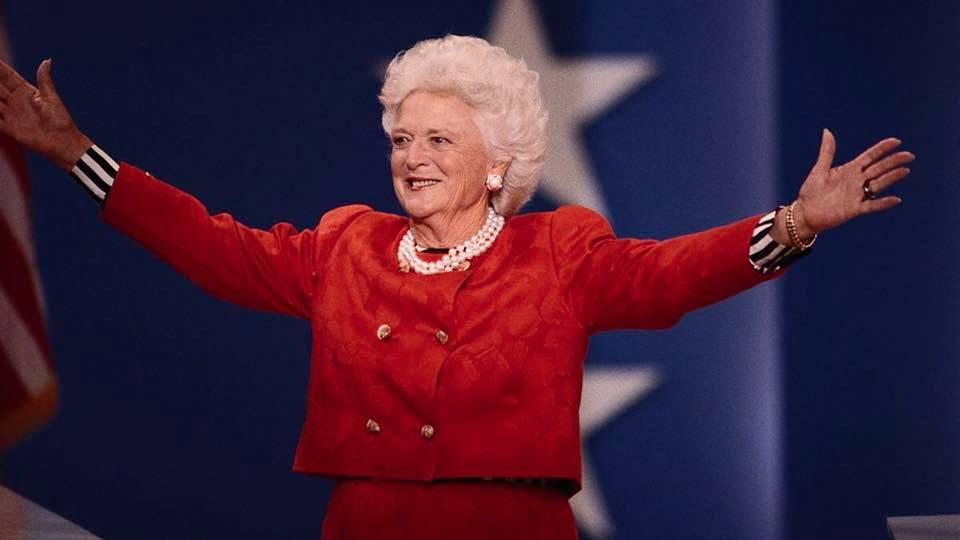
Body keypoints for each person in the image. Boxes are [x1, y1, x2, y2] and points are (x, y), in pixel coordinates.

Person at [0, 35, 912, 539]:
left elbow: (672, 274)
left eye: (439, 140)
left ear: (497, 161)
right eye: (402, 139)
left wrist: (793, 224)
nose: (412, 157)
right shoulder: (344, 245)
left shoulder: (560, 251)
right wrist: (80, 155)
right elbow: (207, 244)